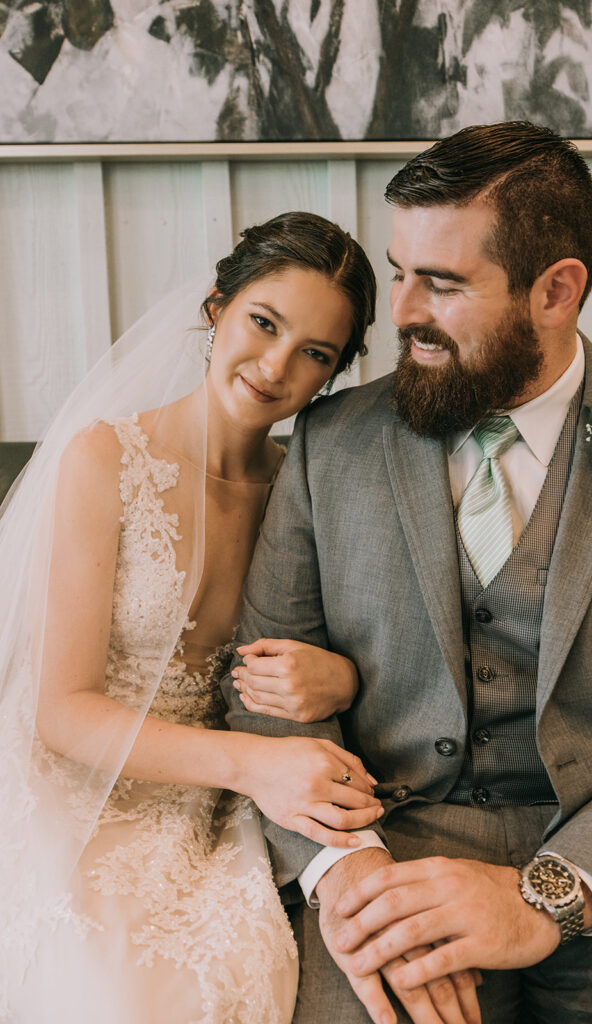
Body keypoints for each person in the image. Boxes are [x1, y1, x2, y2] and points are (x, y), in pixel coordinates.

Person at [225, 123, 592, 1024]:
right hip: (387, 857)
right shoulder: (330, 445)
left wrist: (555, 891)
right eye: (399, 272)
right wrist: (345, 872)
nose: (398, 313)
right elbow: (263, 689)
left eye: (440, 283)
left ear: (555, 291)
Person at [0, 212, 384, 1024]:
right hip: (84, 783)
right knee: (114, 991)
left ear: (334, 375)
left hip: (226, 800)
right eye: (263, 322)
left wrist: (342, 675)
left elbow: (364, 647)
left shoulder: (304, 490)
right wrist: (251, 766)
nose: (275, 365)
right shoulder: (103, 458)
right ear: (216, 306)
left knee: (250, 972)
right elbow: (62, 712)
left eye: (315, 354)